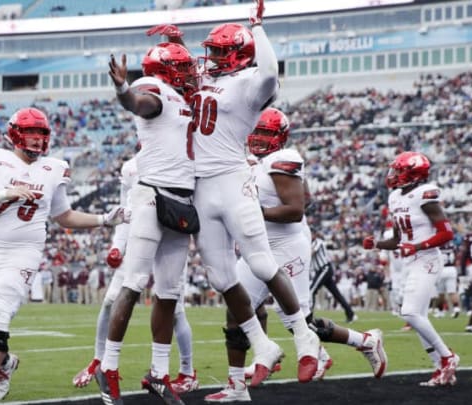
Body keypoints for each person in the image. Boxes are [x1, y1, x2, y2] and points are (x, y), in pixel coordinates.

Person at [150, 0, 321, 389]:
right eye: (210, 52)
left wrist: (257, 28)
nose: (210, 58)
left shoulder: (248, 85)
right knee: (220, 277)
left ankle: (303, 336)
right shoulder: (208, 77)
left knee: (260, 263)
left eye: (219, 52)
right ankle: (262, 345)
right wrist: (178, 41)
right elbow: (183, 69)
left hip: (231, 179)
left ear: (238, 55)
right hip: (201, 187)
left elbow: (270, 71)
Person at [205, 108, 387, 402]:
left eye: (266, 132)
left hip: (287, 245)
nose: (259, 138)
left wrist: (255, 212)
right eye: (257, 131)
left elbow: (296, 210)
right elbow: (309, 198)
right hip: (260, 246)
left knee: (300, 320)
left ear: (280, 137)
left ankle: (365, 341)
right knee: (237, 307)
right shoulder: (256, 162)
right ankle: (238, 385)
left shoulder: (283, 159)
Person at [0, 107, 129, 405]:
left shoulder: (54, 168)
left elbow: (64, 216)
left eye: (41, 134)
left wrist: (104, 219)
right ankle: (6, 363)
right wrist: (5, 194)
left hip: (23, 253)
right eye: (31, 134)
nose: (37, 141)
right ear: (15, 134)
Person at [92, 41, 198, 405]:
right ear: (167, 71)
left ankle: (158, 372)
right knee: (134, 283)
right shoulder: (157, 91)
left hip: (181, 200)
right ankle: (109, 366)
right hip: (152, 196)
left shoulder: (184, 99)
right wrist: (123, 88)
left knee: (169, 293)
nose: (189, 73)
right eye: (182, 67)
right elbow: (138, 102)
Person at [72, 156, 199, 396]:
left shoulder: (183, 160)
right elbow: (124, 209)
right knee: (112, 299)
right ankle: (99, 361)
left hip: (170, 233)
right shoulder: (131, 167)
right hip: (138, 238)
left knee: (175, 307)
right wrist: (117, 245)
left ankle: (187, 372)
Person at [362, 151, 459, 387]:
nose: (393, 174)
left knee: (410, 313)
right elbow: (397, 239)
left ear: (413, 174)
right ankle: (440, 369)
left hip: (427, 259)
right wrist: (376, 244)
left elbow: (446, 233)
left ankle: (448, 357)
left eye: (399, 170)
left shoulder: (424, 194)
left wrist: (416, 246)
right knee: (418, 317)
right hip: (410, 261)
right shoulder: (395, 196)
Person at [309, 231, 357, 323]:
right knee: (336, 294)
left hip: (324, 269)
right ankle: (350, 313)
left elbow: (312, 252)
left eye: (311, 234)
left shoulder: (318, 241)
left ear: (314, 234)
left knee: (311, 290)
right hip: (321, 270)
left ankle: (309, 316)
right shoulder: (310, 243)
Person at [433, 241, 461, 318]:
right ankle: (456, 308)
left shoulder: (437, 245)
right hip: (452, 269)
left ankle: (440, 311)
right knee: (452, 292)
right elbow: (457, 256)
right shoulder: (453, 245)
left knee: (440, 293)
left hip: (441, 269)